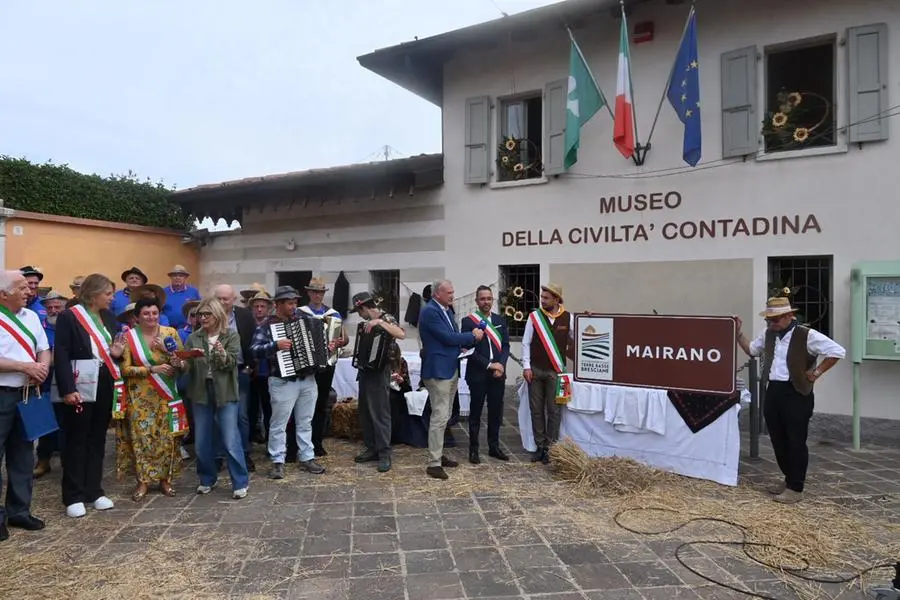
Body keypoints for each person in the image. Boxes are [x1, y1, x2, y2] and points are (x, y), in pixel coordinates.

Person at [735, 296, 845, 504]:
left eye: (775, 319)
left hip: (796, 392)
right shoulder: (769, 334)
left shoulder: (806, 334)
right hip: (774, 390)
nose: (771, 323)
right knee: (778, 438)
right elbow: (751, 350)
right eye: (769, 320)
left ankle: (796, 487)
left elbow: (837, 351)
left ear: (788, 316)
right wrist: (738, 333)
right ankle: (788, 479)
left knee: (795, 440)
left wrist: (817, 371)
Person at [55, 273, 124, 518]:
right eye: (108, 294)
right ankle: (73, 495)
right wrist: (67, 389)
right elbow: (60, 353)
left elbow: (111, 350)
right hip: (80, 383)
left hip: (105, 381)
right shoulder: (69, 316)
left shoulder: (108, 316)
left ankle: (94, 491)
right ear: (94, 294)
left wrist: (117, 352)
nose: (112, 298)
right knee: (77, 438)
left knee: (97, 438)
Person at [251, 286, 326, 478]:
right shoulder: (267, 325)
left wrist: (328, 347)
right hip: (281, 380)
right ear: (278, 305)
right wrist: (275, 345)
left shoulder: (304, 320)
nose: (294, 306)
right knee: (279, 422)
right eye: (290, 303)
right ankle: (277, 460)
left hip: (308, 378)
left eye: (295, 303)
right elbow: (254, 350)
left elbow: (317, 344)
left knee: (305, 421)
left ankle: (307, 457)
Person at [117, 297, 186, 501]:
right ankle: (143, 482)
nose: (151, 317)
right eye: (146, 313)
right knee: (142, 439)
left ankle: (166, 480)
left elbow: (183, 363)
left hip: (167, 397)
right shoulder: (129, 337)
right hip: (140, 398)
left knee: (167, 439)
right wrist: (150, 369)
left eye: (154, 313)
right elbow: (125, 369)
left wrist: (172, 356)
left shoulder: (170, 333)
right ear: (137, 317)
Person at [0, 270, 51, 539]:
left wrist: (41, 367)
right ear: (3, 294)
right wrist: (23, 365)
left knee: (22, 454)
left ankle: (19, 511)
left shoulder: (31, 316)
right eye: (21, 288)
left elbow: (44, 347)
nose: (29, 291)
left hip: (27, 393)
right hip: (2, 392)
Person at [182, 298, 249, 499]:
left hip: (225, 391)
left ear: (217, 314)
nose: (202, 318)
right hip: (201, 391)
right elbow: (188, 368)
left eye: (206, 314)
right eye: (199, 315)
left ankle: (240, 482)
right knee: (201, 441)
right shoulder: (194, 337)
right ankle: (206, 479)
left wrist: (221, 353)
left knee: (230, 438)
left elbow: (231, 364)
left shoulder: (231, 336)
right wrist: (180, 362)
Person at [418, 279, 481, 480]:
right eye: (449, 292)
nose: (452, 295)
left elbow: (451, 335)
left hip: (449, 367)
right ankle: (433, 463)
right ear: (437, 294)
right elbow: (446, 337)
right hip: (438, 371)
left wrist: (460, 346)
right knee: (439, 415)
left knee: (444, 415)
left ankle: (438, 454)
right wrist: (472, 336)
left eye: (453, 292)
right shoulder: (430, 311)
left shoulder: (446, 309)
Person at [350, 291, 406, 473]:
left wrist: (380, 322)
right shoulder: (365, 323)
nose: (359, 315)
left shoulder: (386, 317)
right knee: (365, 411)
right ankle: (372, 447)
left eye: (359, 311)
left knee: (380, 413)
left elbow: (401, 334)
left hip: (381, 370)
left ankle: (384, 452)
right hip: (366, 371)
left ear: (364, 307)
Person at [521, 283, 574, 465]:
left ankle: (551, 448)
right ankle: (539, 446)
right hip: (535, 369)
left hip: (556, 372)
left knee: (554, 411)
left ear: (556, 299)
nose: (542, 300)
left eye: (546, 298)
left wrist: (588, 319)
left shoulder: (569, 318)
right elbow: (526, 342)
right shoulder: (534, 317)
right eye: (541, 297)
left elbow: (578, 338)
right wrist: (526, 366)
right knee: (536, 410)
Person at [298, 277, 348, 457]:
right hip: (307, 364)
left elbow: (344, 338)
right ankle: (301, 443)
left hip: (327, 363)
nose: (318, 295)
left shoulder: (333, 314)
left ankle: (317, 442)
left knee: (321, 403)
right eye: (314, 292)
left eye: (320, 292)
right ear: (309, 293)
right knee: (304, 403)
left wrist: (339, 342)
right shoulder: (300, 313)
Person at [461, 285, 510, 464]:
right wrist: (490, 365)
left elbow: (505, 346)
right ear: (476, 301)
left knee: (496, 413)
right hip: (478, 374)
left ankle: (494, 447)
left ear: (493, 300)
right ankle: (473, 449)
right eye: (482, 299)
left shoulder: (500, 320)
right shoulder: (468, 322)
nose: (486, 302)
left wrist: (501, 366)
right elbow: (468, 350)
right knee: (475, 413)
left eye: (489, 298)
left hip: (498, 374)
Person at [212, 284, 257, 472]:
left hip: (240, 370)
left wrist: (249, 367)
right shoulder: (208, 315)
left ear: (234, 299)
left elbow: (254, 341)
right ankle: (219, 456)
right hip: (215, 372)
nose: (223, 302)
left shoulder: (245, 316)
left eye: (226, 299)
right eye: (219, 298)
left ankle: (244, 454)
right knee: (217, 415)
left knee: (241, 416)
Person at [33, 290, 69, 478]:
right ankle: (43, 460)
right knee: (44, 420)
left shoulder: (71, 325)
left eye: (58, 307)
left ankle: (67, 461)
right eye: (50, 307)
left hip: (67, 377)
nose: (54, 310)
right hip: (45, 378)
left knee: (67, 420)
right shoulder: (38, 327)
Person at [162, 265, 201, 330]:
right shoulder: (163, 292)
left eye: (181, 276)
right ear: (171, 277)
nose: (177, 278)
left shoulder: (194, 291)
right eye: (175, 275)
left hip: (188, 330)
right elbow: (159, 311)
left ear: (185, 278)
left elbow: (200, 309)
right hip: (168, 330)